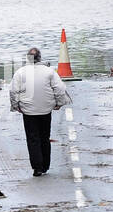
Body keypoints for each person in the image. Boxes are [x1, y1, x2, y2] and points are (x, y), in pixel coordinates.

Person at [9, 47, 71, 176]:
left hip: (28, 111)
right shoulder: (49, 72)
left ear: (28, 58)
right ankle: (45, 166)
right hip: (45, 110)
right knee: (44, 137)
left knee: (32, 138)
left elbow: (13, 91)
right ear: (40, 58)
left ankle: (37, 167)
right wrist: (59, 103)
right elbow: (59, 89)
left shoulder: (20, 72)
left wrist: (16, 106)